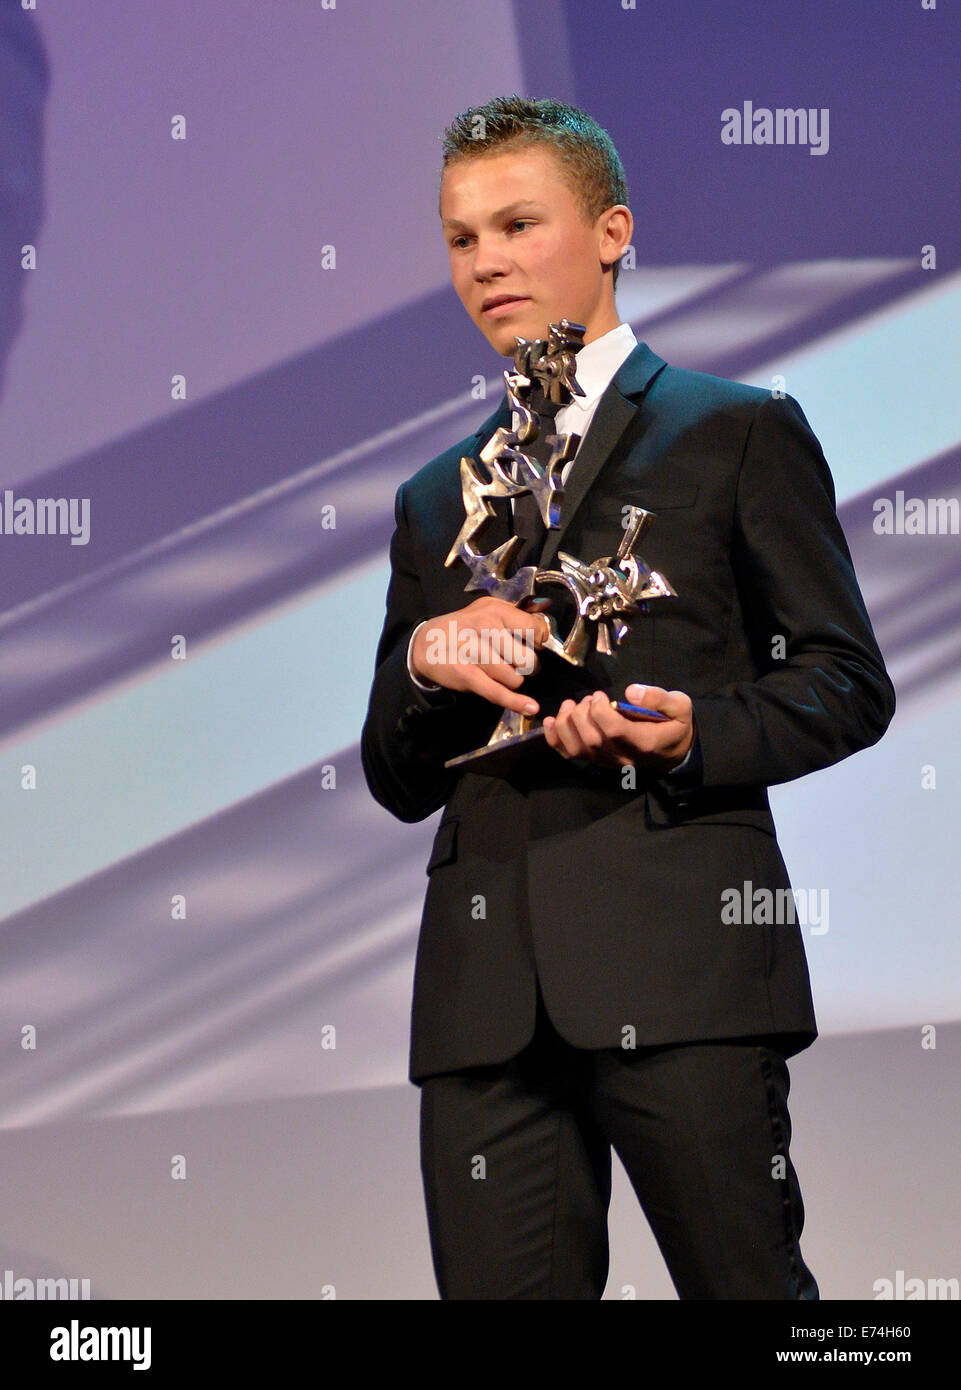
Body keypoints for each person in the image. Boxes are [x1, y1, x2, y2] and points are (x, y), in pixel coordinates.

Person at [360, 95, 895, 1300]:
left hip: (683, 962)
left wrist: (700, 730)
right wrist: (424, 665)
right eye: (459, 238)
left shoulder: (736, 432)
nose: (485, 260)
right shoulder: (436, 498)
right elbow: (395, 777)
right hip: (485, 1000)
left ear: (611, 231)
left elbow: (844, 682)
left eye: (516, 224)